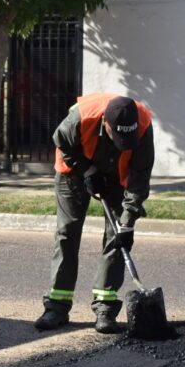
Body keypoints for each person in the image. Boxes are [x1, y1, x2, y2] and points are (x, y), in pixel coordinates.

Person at [34, 94, 154, 334]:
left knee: (117, 236)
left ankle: (106, 307)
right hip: (75, 169)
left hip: (117, 176)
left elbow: (139, 177)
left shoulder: (143, 125)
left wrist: (128, 223)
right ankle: (57, 306)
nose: (123, 141)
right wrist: (88, 170)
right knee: (67, 232)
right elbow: (62, 143)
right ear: (105, 124)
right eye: (117, 135)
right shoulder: (82, 117)